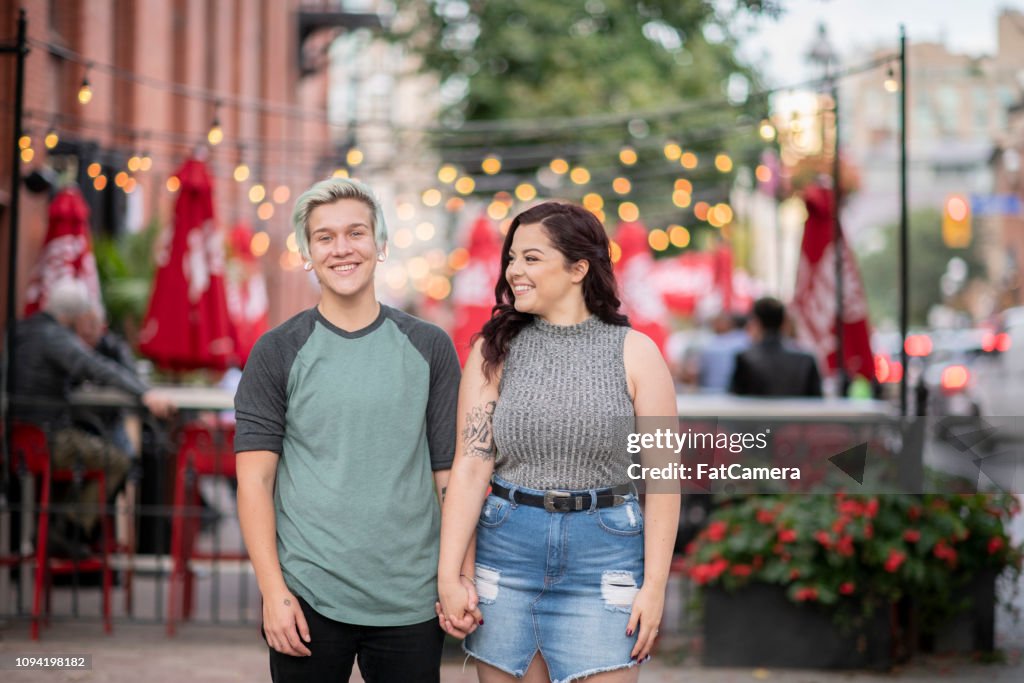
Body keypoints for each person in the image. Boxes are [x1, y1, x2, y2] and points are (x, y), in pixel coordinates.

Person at [234, 177, 473, 683]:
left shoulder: (430, 346)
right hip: (308, 595)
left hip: (410, 597)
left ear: (380, 246)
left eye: (356, 233)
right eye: (325, 237)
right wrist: (273, 592)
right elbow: (254, 482)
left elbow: (451, 475)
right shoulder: (276, 351)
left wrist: (459, 576)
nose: (342, 248)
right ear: (307, 253)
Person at [437, 202, 679, 683]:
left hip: (605, 558)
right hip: (508, 553)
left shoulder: (636, 352)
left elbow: (663, 480)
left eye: (531, 258)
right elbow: (470, 465)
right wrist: (449, 574)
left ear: (578, 268)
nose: (513, 271)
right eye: (511, 258)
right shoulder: (492, 351)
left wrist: (654, 586)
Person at [10, 279, 175, 554]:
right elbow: (96, 367)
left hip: (17, 440)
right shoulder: (56, 337)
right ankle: (68, 530)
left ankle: (55, 529)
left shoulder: (20, 331)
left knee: (82, 459)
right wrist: (145, 393)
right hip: (48, 440)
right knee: (117, 460)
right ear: (71, 317)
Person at [729, 297, 823, 398]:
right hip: (795, 413)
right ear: (784, 322)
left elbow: (736, 400)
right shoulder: (806, 360)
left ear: (757, 322)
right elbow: (817, 401)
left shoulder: (744, 358)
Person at [696, 312, 750, 393]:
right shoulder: (745, 340)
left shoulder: (711, 346)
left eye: (716, 323)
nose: (714, 326)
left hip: (717, 393)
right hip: (723, 393)